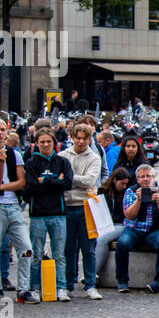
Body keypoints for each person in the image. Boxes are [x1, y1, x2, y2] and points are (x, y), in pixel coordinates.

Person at [0, 118, 32, 303]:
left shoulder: (14, 154)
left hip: (13, 205)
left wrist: (3, 187)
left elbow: (21, 182)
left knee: (26, 248)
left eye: (2, 130)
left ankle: (23, 288)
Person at [24, 128, 73, 301]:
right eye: (42, 142)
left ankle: (61, 287)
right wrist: (54, 180)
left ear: (54, 143)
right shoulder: (30, 163)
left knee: (59, 253)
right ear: (36, 143)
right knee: (36, 253)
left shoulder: (62, 162)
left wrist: (43, 180)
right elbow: (30, 187)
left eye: (48, 142)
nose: (45, 145)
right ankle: (35, 287)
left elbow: (67, 183)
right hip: (38, 213)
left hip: (58, 213)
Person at [116, 164, 159, 294]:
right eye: (142, 177)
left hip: (155, 229)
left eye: (149, 176)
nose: (146, 179)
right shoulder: (131, 192)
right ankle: (122, 281)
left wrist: (158, 201)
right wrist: (138, 200)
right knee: (122, 244)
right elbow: (129, 215)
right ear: (137, 179)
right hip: (134, 229)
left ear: (154, 178)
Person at [61, 124, 103, 300]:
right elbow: (60, 181)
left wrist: (67, 178)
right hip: (66, 205)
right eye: (78, 137)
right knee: (68, 249)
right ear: (72, 137)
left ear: (90, 139)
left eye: (85, 138)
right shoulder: (62, 156)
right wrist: (72, 181)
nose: (81, 141)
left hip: (87, 207)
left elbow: (89, 181)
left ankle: (90, 285)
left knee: (89, 249)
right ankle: (67, 285)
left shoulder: (94, 157)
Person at [93, 166, 131, 287]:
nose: (124, 186)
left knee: (101, 239)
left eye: (126, 184)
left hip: (120, 224)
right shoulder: (102, 191)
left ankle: (93, 273)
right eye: (122, 183)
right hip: (104, 223)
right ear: (114, 180)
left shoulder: (126, 193)